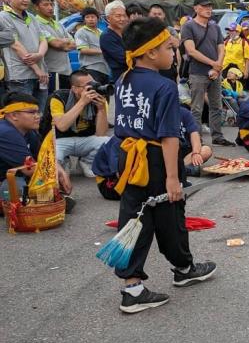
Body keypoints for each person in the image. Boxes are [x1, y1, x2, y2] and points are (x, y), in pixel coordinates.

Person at [110, 17, 216, 314]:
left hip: (129, 158)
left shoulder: (123, 79)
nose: (175, 54)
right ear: (151, 52)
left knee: (134, 218)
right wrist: (172, 178)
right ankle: (183, 268)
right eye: (170, 48)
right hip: (156, 160)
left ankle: (132, 285)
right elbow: (169, 136)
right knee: (169, 215)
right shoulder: (164, 85)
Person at [0, 91, 72, 202]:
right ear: (14, 115)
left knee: (45, 183)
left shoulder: (27, 129)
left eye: (38, 112)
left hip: (12, 175)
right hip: (8, 178)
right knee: (17, 187)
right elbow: (30, 169)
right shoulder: (6, 132)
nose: (37, 116)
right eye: (32, 112)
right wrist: (56, 175)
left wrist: (61, 171)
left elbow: (43, 157)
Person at [180, 0, 231, 147]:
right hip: (197, 73)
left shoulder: (215, 27)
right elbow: (191, 51)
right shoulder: (188, 27)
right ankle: (197, 140)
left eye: (210, 6)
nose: (209, 9)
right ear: (196, 8)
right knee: (197, 108)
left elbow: (221, 47)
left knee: (217, 105)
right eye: (204, 6)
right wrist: (213, 64)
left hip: (216, 72)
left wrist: (218, 66)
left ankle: (217, 136)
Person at [41, 69, 111, 176]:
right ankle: (64, 161)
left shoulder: (99, 99)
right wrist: (82, 102)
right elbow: (62, 126)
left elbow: (101, 134)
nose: (93, 88)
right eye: (88, 85)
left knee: (108, 142)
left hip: (85, 139)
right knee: (52, 165)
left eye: (94, 84)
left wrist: (101, 109)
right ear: (74, 88)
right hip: (60, 140)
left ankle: (87, 162)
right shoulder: (58, 98)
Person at [0, 0, 48, 110]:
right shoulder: (3, 17)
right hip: (20, 76)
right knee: (24, 114)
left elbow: (43, 39)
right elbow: (15, 45)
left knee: (40, 114)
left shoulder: (31, 17)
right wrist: (36, 69)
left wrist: (40, 54)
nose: (26, 0)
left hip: (41, 73)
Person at [32, 0, 75, 91]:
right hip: (51, 72)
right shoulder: (36, 24)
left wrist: (62, 43)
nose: (50, 8)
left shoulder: (58, 24)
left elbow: (73, 44)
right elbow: (56, 44)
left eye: (51, 4)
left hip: (66, 71)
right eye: (46, 5)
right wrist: (63, 43)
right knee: (53, 103)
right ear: (36, 7)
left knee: (65, 102)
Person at [74, 6, 109, 79]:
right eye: (87, 17)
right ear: (84, 20)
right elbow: (83, 50)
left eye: (93, 17)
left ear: (98, 18)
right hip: (90, 69)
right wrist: (103, 51)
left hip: (104, 70)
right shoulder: (81, 32)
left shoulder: (101, 32)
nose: (90, 19)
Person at [178, 106, 212, 177]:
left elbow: (194, 134)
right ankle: (182, 169)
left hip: (186, 151)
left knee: (206, 150)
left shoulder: (184, 112)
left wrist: (195, 152)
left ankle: (181, 168)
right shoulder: (160, 112)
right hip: (169, 150)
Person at [99, 0, 129, 81]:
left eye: (124, 15)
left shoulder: (126, 32)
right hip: (121, 77)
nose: (122, 19)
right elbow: (123, 59)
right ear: (108, 18)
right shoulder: (106, 36)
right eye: (118, 16)